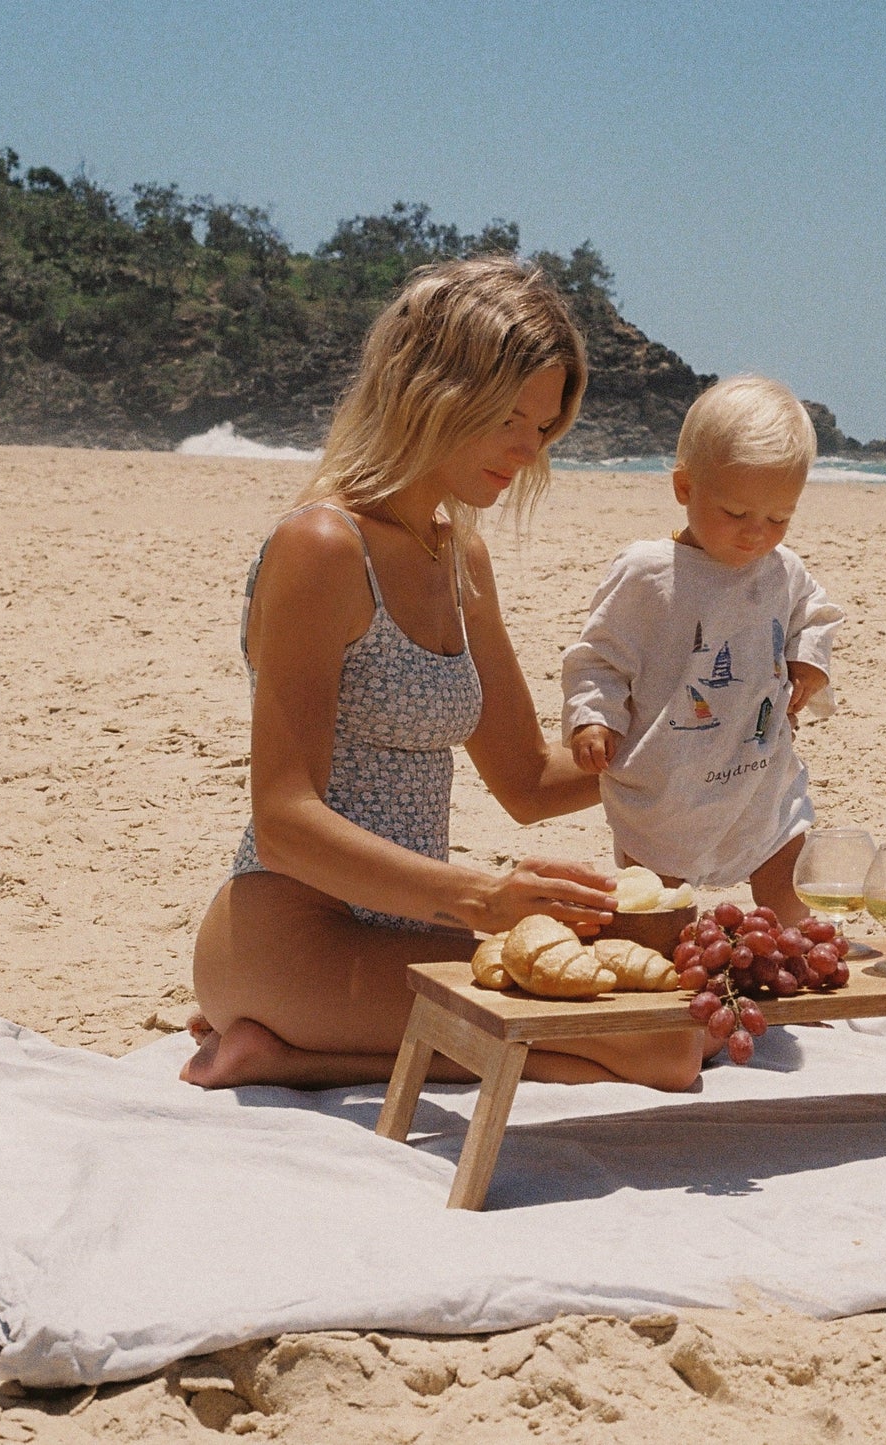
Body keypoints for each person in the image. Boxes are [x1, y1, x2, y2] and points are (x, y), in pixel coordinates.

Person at [182, 257, 705, 1093]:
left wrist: (689, 730)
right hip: (296, 936)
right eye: (507, 417)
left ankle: (288, 1055)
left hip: (409, 928)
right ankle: (286, 1035)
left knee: (673, 1024)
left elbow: (528, 779)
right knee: (660, 1049)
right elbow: (282, 820)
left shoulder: (457, 553)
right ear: (428, 390)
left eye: (543, 426)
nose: (527, 449)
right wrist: (483, 896)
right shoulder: (320, 546)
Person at [562, 375, 844, 922]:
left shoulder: (782, 570)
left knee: (791, 891)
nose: (755, 534)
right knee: (657, 911)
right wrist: (592, 717)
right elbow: (598, 657)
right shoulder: (648, 572)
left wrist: (809, 659)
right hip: (667, 785)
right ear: (684, 488)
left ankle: (795, 973)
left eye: (778, 518)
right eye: (736, 514)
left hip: (759, 774)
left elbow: (815, 611)